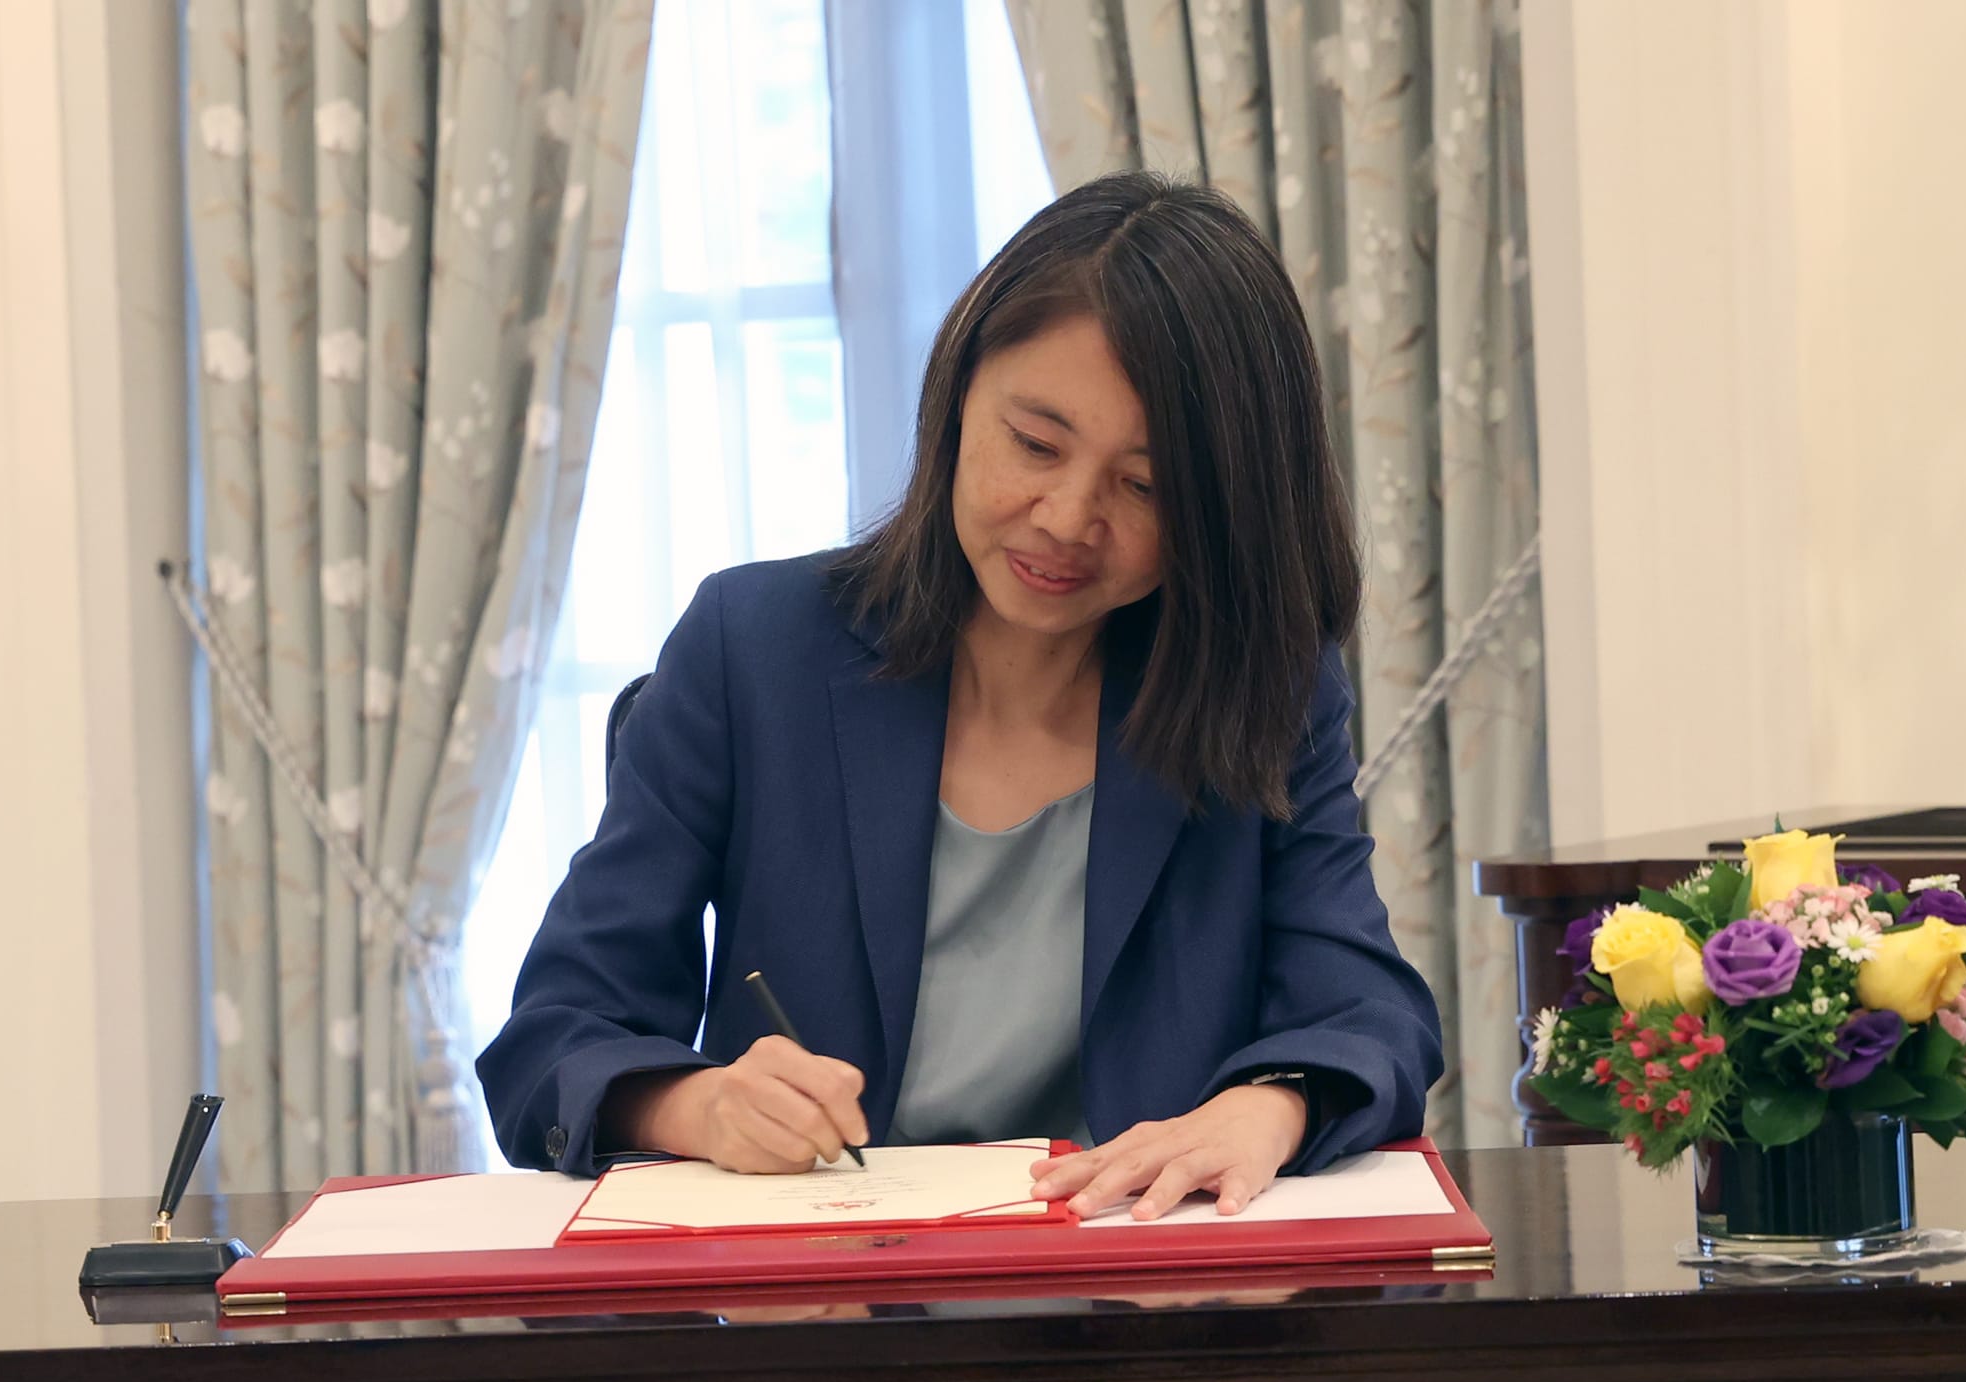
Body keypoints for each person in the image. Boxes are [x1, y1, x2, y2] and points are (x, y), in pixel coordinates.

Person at [478, 171, 1442, 1222]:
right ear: (957, 392)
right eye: (1034, 443)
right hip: (829, 1316)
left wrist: (1271, 1104)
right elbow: (555, 1037)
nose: (1068, 517)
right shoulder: (753, 653)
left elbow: (1367, 1012)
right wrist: (698, 1105)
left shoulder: (1266, 686)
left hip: (1144, 1308)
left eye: (1146, 487)